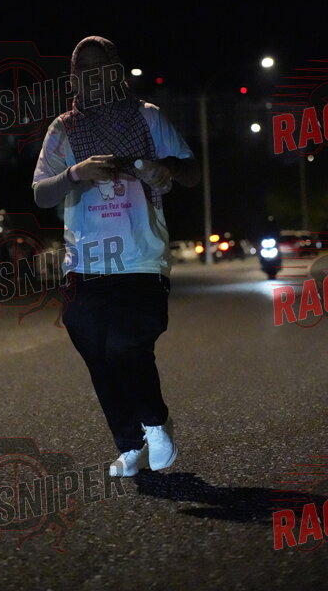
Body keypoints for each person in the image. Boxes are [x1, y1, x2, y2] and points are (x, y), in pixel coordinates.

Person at [32, 35, 200, 477]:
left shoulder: (148, 117)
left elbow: (191, 171)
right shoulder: (63, 129)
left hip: (141, 258)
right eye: (82, 68)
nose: (92, 75)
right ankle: (129, 444)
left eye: (100, 65)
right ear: (74, 77)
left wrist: (165, 168)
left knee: (127, 344)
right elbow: (41, 193)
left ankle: (155, 423)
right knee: (97, 354)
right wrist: (75, 172)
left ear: (116, 71)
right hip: (85, 264)